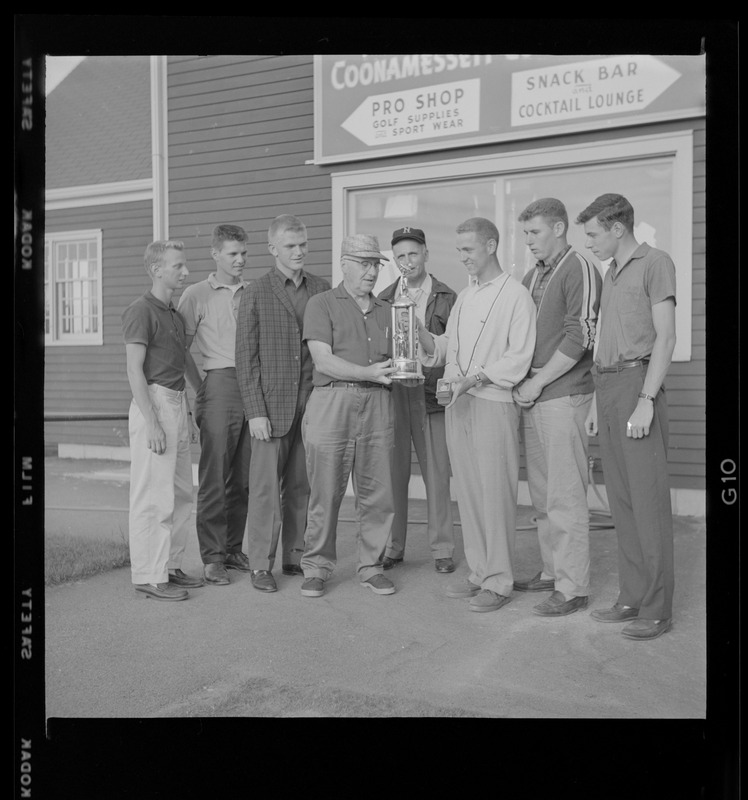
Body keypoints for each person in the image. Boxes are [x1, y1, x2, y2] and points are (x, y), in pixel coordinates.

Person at [418, 218, 536, 612]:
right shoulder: (467, 297)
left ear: (491, 245)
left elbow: (518, 357)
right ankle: (479, 571)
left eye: (468, 249)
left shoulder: (515, 295)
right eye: (459, 250)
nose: (463, 257)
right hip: (459, 401)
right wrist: (416, 330)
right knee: (467, 493)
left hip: (492, 402)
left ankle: (499, 581)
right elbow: (448, 346)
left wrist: (476, 378)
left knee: (494, 493)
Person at [576, 193, 676, 641]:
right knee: (622, 502)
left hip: (638, 386)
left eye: (594, 233)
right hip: (609, 387)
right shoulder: (610, 272)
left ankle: (656, 608)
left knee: (648, 503)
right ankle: (632, 596)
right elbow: (607, 342)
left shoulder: (656, 263)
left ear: (618, 228)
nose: (591, 243)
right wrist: (599, 402)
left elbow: (666, 338)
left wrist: (647, 399)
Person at [511, 198, 602, 617]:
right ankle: (552, 572)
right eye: (525, 233)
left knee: (565, 496)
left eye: (535, 232)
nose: (528, 241)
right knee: (543, 496)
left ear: (560, 228)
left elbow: (579, 337)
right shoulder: (534, 275)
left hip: (565, 396)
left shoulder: (578, 267)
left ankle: (573, 587)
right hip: (536, 397)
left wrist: (537, 381)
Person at [235, 215, 331, 593]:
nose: (299, 252)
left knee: (301, 486)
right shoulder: (256, 291)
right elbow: (246, 356)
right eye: (290, 246)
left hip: (312, 406)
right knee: (263, 490)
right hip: (270, 412)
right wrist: (255, 411)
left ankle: (295, 554)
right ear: (273, 248)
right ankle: (260, 564)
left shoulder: (321, 289)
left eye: (303, 244)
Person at [299, 233, 397, 598]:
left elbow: (404, 358)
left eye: (375, 265)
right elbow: (323, 359)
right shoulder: (321, 304)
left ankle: (371, 565)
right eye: (363, 264)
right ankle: (317, 566)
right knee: (325, 489)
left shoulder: (390, 310)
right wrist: (367, 373)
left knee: (378, 490)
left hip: (379, 403)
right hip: (332, 402)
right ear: (344, 264)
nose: (371, 272)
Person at [121, 240, 204, 601]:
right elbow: (134, 370)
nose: (185, 272)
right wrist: (152, 422)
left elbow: (183, 358)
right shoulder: (141, 310)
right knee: (153, 495)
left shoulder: (174, 313)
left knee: (182, 493)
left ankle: (169, 566)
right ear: (157, 269)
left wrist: (199, 395)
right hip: (153, 402)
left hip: (177, 402)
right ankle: (149, 575)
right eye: (178, 266)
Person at [377, 226, 457, 573]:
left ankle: (442, 549)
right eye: (400, 257)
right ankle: (394, 547)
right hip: (395, 393)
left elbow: (453, 347)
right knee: (393, 475)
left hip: (431, 394)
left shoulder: (447, 296)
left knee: (437, 475)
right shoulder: (384, 297)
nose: (407, 261)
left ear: (425, 253)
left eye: (413, 254)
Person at [177, 224, 252, 586]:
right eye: (232, 254)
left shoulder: (254, 292)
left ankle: (233, 548)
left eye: (243, 253)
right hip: (219, 382)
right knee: (215, 476)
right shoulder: (196, 294)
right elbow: (180, 349)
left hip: (253, 386)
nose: (239, 260)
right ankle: (212, 557)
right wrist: (201, 387)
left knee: (244, 477)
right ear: (215, 254)